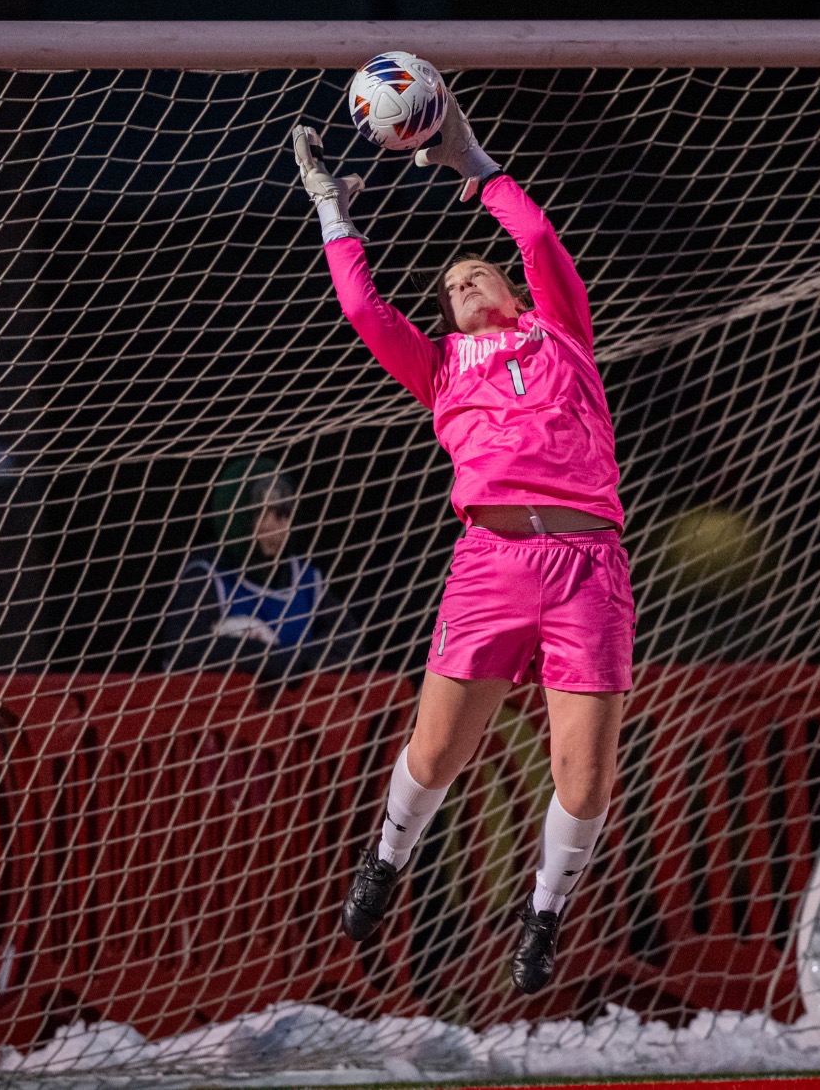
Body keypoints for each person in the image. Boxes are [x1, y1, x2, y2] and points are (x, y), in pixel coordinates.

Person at [290, 84, 633, 995]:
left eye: (477, 271)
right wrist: (334, 214)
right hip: (491, 565)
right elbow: (365, 311)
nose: (464, 280)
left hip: (587, 568)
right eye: (449, 284)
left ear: (512, 291)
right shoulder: (442, 369)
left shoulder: (562, 335)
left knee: (585, 776)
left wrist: (475, 165)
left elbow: (541, 242)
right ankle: (387, 856)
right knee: (437, 754)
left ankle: (545, 911)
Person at [157, 456, 356, 683]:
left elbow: (348, 642)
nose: (274, 527)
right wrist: (269, 659)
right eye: (261, 513)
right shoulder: (208, 575)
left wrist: (299, 663)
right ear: (235, 515)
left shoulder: (306, 579)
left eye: (283, 514)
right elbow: (186, 649)